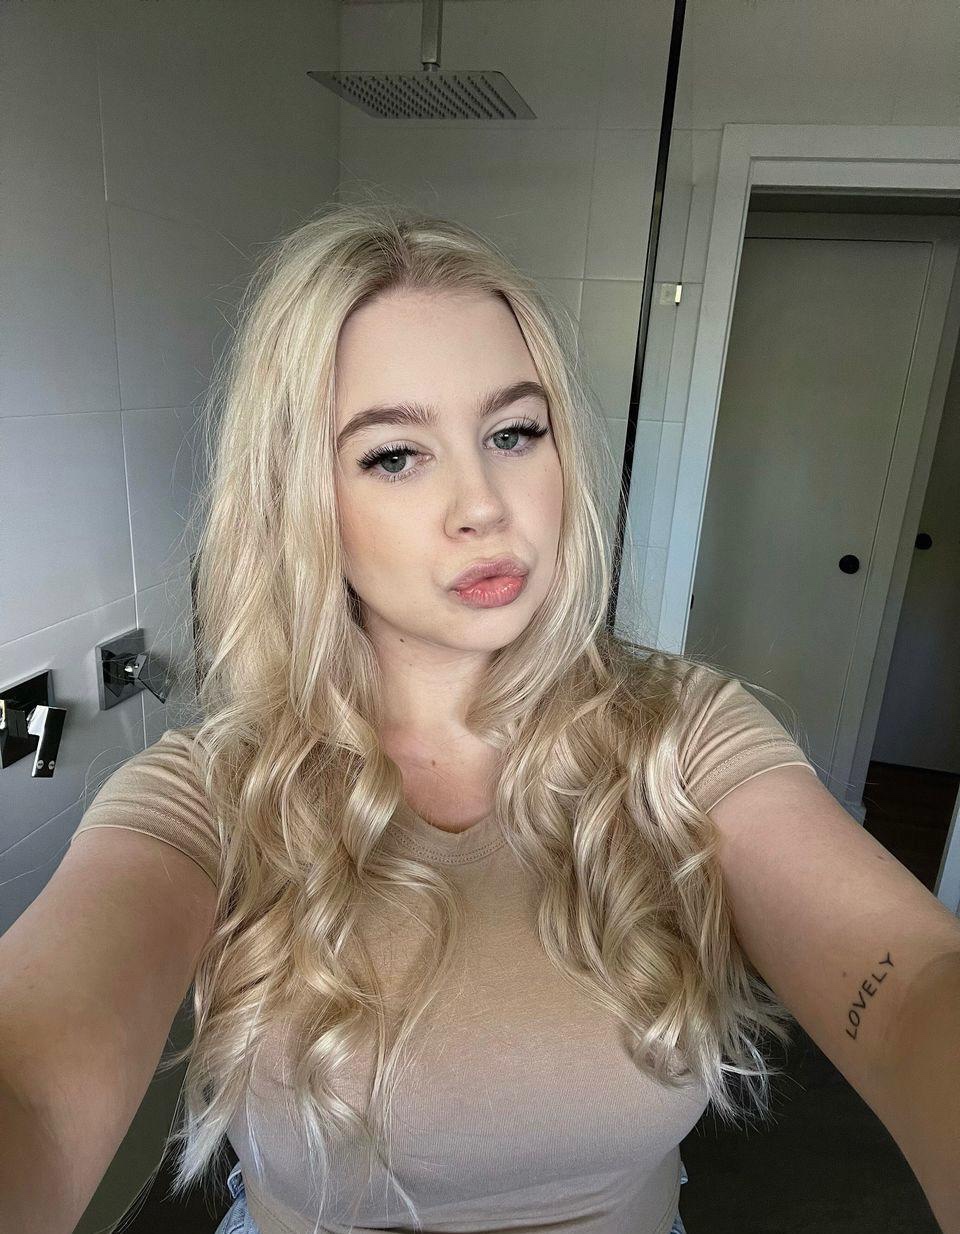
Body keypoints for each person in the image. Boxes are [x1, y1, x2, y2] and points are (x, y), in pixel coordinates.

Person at [2, 203, 958, 1234]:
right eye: (394, 455)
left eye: (513, 433)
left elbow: (910, 988)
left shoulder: (683, 735)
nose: (485, 504)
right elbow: (33, 1093)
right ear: (300, 499)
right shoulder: (209, 795)